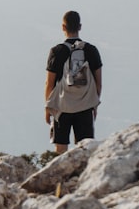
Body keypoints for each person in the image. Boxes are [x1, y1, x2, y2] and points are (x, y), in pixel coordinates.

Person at [44, 11, 103, 153]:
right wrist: (93, 104)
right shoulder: (91, 50)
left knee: (60, 146)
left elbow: (49, 84)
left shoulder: (56, 51)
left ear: (63, 27)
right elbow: (98, 83)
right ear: (80, 26)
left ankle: (61, 174)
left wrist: (48, 107)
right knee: (85, 148)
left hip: (61, 106)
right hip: (85, 106)